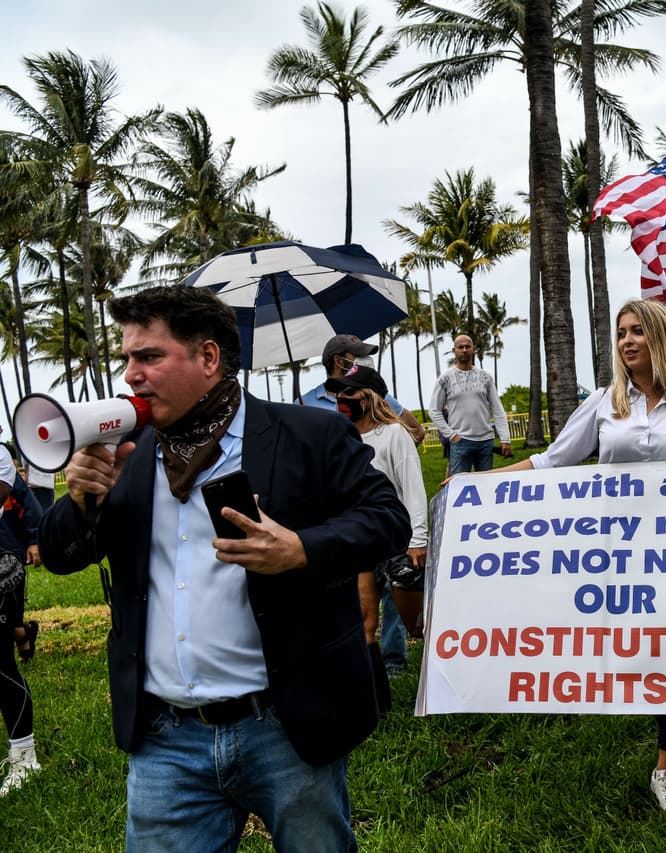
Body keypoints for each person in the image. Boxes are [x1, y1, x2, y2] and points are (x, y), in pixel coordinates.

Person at [38, 285, 410, 850]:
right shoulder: (130, 456)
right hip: (165, 737)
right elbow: (64, 558)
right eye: (127, 359)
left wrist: (301, 549)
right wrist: (82, 501)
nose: (131, 375)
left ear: (208, 358)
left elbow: (388, 521)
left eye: (149, 357)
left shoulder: (308, 434)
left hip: (284, 727)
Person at [487, 298, 666, 820]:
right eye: (621, 333)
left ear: (660, 339)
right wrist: (479, 482)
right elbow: (553, 460)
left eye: (637, 332)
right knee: (657, 652)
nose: (626, 341)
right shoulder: (605, 402)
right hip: (619, 556)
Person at [325, 364, 429, 693]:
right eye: (338, 392)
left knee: (416, 625)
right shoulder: (340, 438)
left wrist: (418, 540)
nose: (341, 398)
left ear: (368, 398)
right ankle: (375, 698)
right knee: (366, 618)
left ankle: (443, 672)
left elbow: (412, 488)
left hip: (398, 542)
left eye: (349, 392)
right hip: (361, 542)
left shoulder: (394, 435)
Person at [0, 440, 42, 796]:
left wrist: (33, 540)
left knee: (1, 663)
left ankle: (24, 757)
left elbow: (18, 500)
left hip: (3, 561)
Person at [297, 333, 427, 445]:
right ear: (339, 361)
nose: (366, 359)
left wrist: (389, 462)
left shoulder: (375, 395)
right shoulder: (303, 405)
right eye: (358, 355)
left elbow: (417, 431)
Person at [427, 334, 512, 476]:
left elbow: (497, 409)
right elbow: (434, 410)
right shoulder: (445, 378)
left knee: (486, 486)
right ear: (454, 350)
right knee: (457, 485)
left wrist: (505, 439)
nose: (464, 350)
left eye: (468, 346)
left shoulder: (486, 377)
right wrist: (451, 435)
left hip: (485, 441)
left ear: (474, 350)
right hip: (460, 442)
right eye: (460, 347)